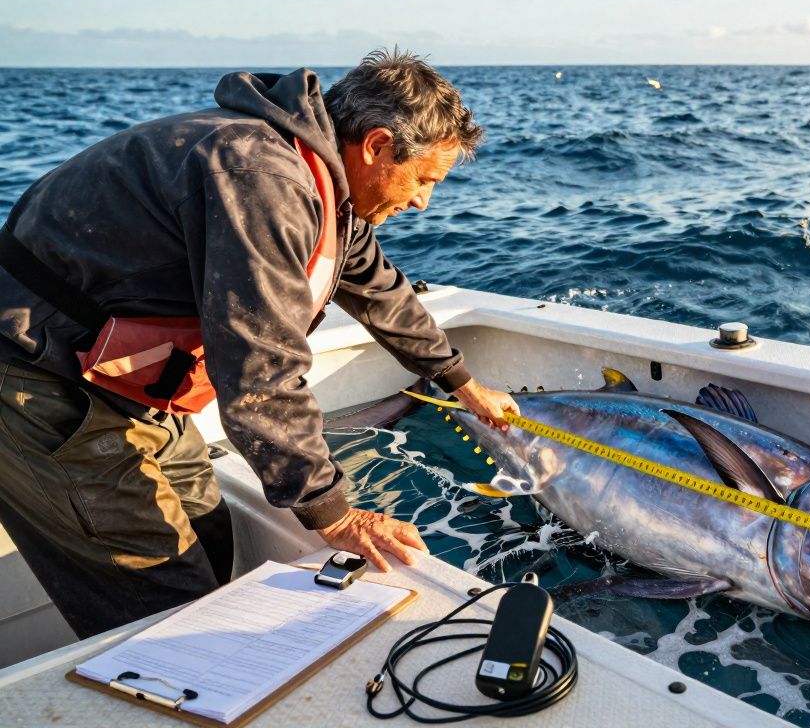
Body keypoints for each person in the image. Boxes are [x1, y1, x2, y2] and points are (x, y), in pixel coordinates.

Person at [0, 49, 518, 639]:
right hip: (39, 380)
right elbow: (260, 372)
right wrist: (336, 516)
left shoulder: (326, 183)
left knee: (208, 537)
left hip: (125, 389)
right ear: (375, 146)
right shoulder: (262, 178)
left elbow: (379, 290)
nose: (424, 201)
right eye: (424, 179)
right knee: (165, 604)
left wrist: (463, 382)